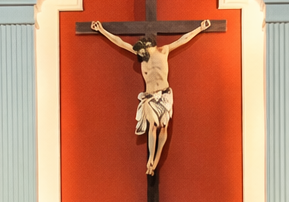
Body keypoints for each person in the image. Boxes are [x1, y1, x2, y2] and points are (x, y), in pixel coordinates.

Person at [90, 18, 211, 175]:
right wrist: (102, 30)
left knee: (164, 127)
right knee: (153, 125)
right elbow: (119, 42)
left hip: (165, 94)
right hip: (150, 97)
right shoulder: (141, 54)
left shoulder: (164, 50)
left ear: (150, 44)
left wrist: (200, 29)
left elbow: (183, 39)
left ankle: (156, 158)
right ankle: (150, 159)